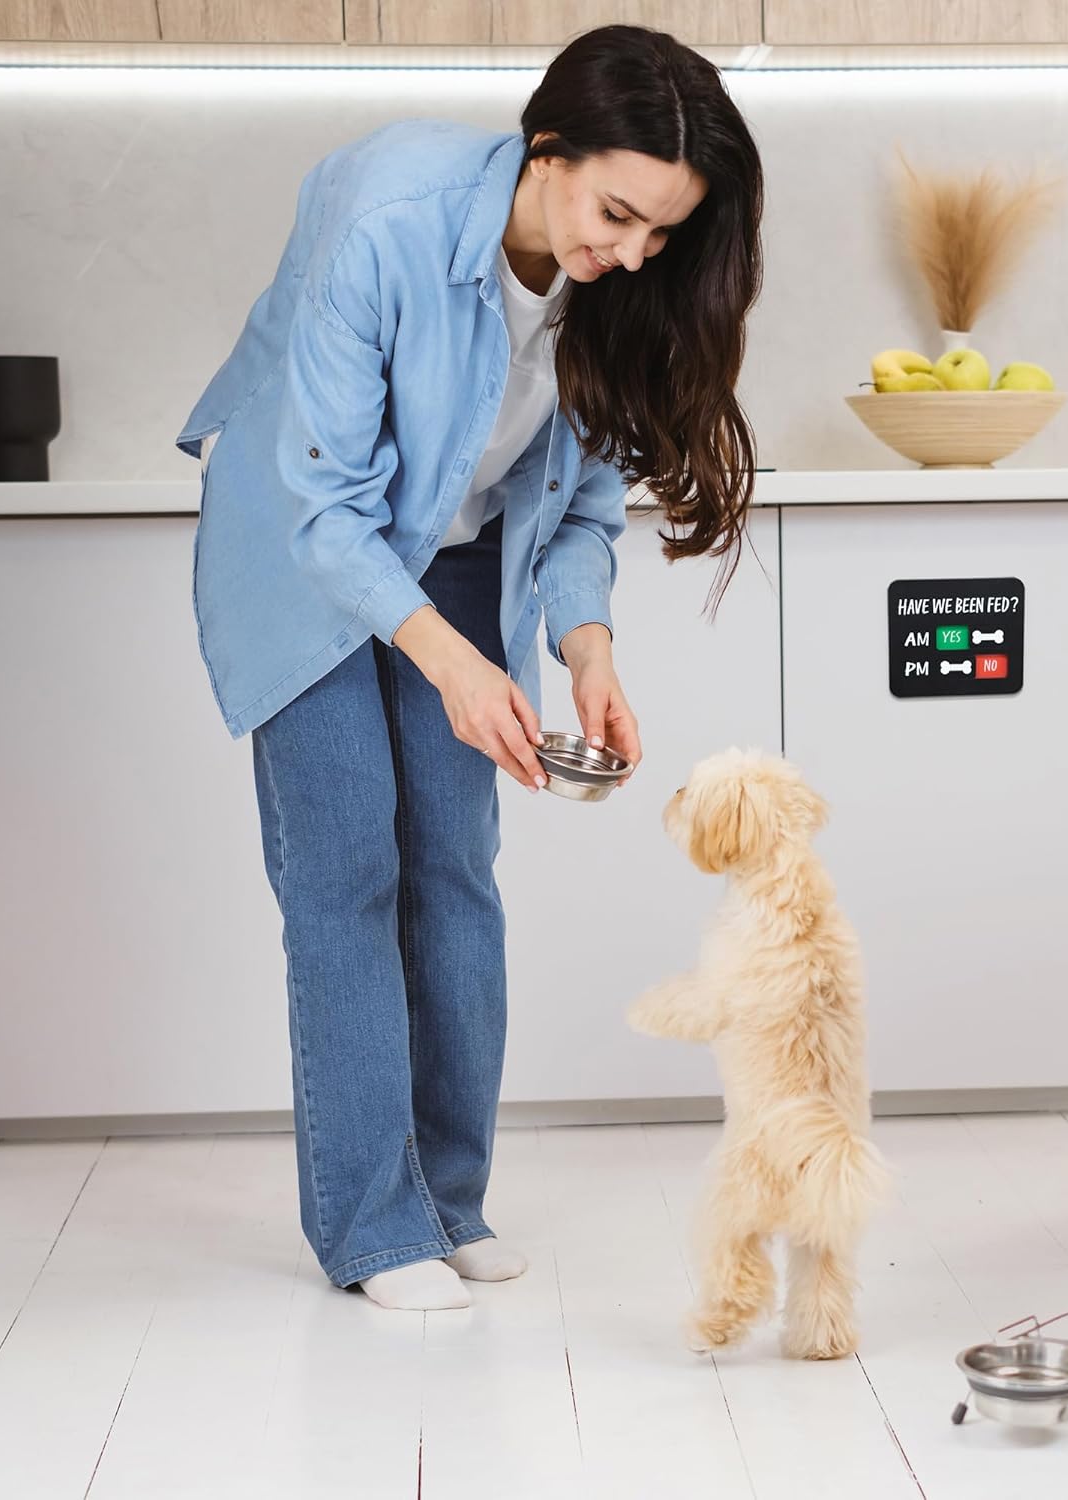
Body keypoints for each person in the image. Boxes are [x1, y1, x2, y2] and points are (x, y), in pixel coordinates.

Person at [175, 24, 764, 1310]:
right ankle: (373, 1227)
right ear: (546, 146)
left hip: (457, 547)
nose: (631, 253)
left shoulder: (616, 291)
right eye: (616, 213)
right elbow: (325, 503)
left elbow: (581, 507)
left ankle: (448, 1197)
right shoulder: (388, 213)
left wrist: (586, 647)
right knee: (348, 873)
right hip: (302, 535)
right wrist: (449, 664)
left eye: (663, 234)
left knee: (454, 867)